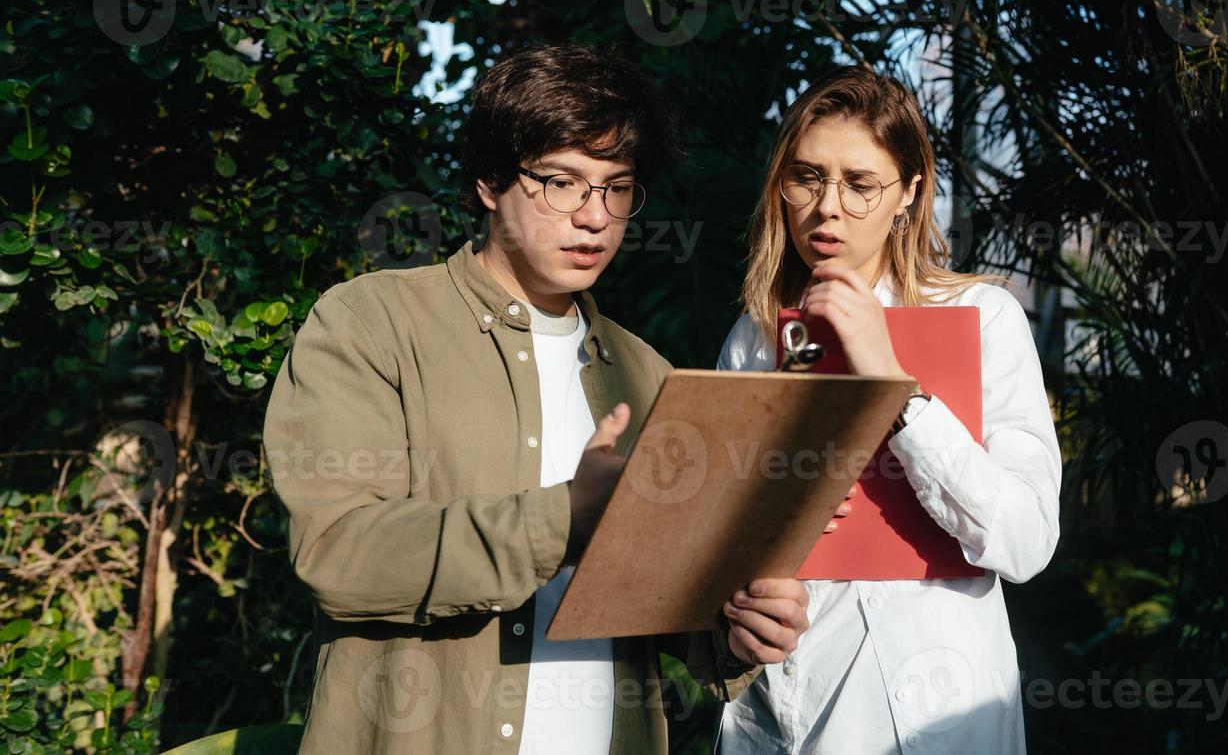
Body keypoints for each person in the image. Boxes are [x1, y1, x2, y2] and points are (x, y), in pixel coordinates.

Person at [264, 43, 810, 754]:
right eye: (561, 182)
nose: (593, 217)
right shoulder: (371, 323)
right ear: (490, 181)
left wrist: (735, 628)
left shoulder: (645, 374)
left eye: (616, 188)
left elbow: (660, 606)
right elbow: (338, 553)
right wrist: (565, 519)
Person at [714, 67, 1062, 753]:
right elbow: (724, 543)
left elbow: (1027, 541)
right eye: (806, 177)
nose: (827, 206)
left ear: (908, 193)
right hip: (789, 706)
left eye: (860, 183)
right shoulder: (754, 340)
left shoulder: (981, 319)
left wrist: (894, 386)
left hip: (936, 713)